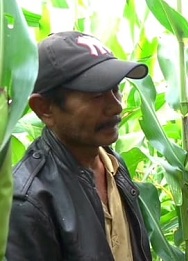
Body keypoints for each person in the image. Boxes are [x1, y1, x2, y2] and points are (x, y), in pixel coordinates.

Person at [7, 31, 152, 261]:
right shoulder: (29, 202)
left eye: (116, 89)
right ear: (44, 108)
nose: (116, 107)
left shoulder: (113, 165)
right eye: (97, 95)